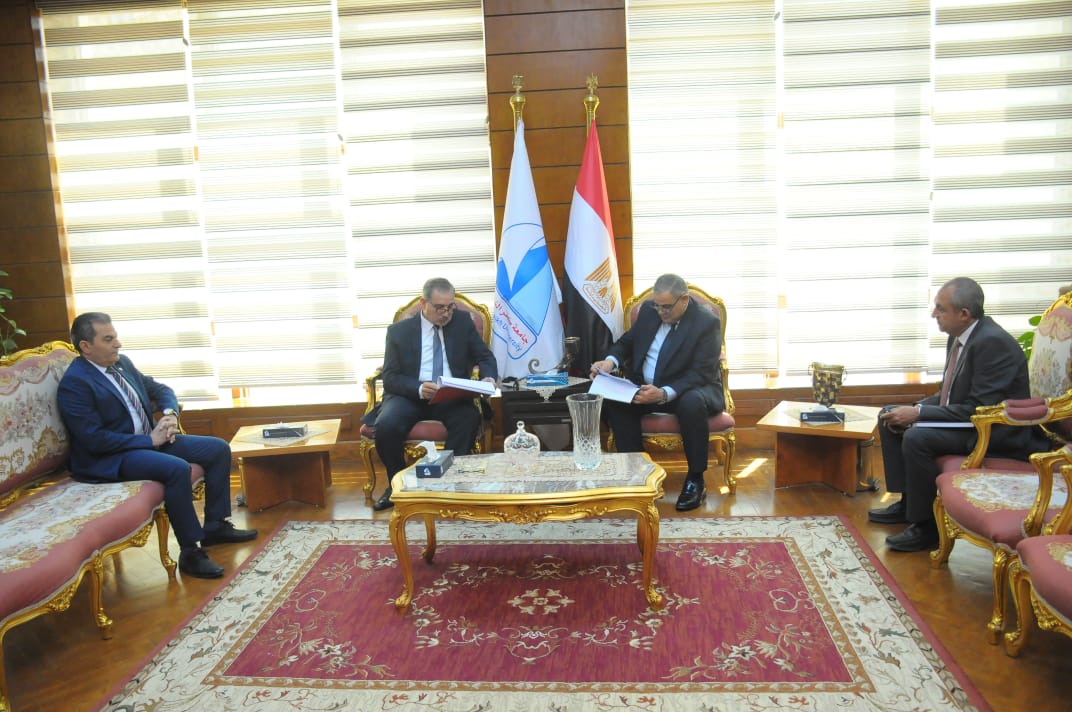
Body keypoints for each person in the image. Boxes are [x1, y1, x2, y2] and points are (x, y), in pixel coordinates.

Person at [57, 312, 256, 579]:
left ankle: (215, 526)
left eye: (115, 337)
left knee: (218, 448)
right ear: (86, 346)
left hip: (148, 441)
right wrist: (149, 440)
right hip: (113, 455)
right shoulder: (75, 383)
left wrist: (170, 414)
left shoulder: (121, 363)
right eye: (108, 339)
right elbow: (94, 439)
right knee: (176, 468)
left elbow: (161, 390)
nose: (118, 344)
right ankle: (190, 552)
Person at [869, 277, 1048, 552]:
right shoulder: (959, 336)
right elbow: (950, 393)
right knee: (889, 415)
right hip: (969, 420)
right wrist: (917, 408)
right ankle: (908, 503)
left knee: (917, 438)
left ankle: (927, 527)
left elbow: (979, 409)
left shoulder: (993, 343)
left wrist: (919, 413)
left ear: (964, 314)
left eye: (940, 309)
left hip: (994, 431)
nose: (934, 314)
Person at [589, 273, 725, 511]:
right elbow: (627, 342)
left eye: (666, 307)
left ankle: (695, 480)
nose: (661, 312)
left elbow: (701, 373)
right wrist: (610, 362)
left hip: (687, 389)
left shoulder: (706, 323)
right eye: (657, 305)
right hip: (646, 387)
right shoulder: (649, 311)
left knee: (692, 403)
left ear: (684, 300)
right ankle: (637, 473)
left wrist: (663, 393)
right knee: (616, 401)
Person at [366, 278, 498, 511]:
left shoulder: (462, 323)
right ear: (423, 303)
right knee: (386, 425)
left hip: (450, 396)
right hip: (409, 396)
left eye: (450, 307)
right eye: (439, 308)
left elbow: (485, 357)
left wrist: (488, 377)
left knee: (468, 419)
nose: (446, 313)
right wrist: (418, 388)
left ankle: (447, 483)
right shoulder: (399, 332)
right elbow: (390, 377)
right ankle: (397, 486)